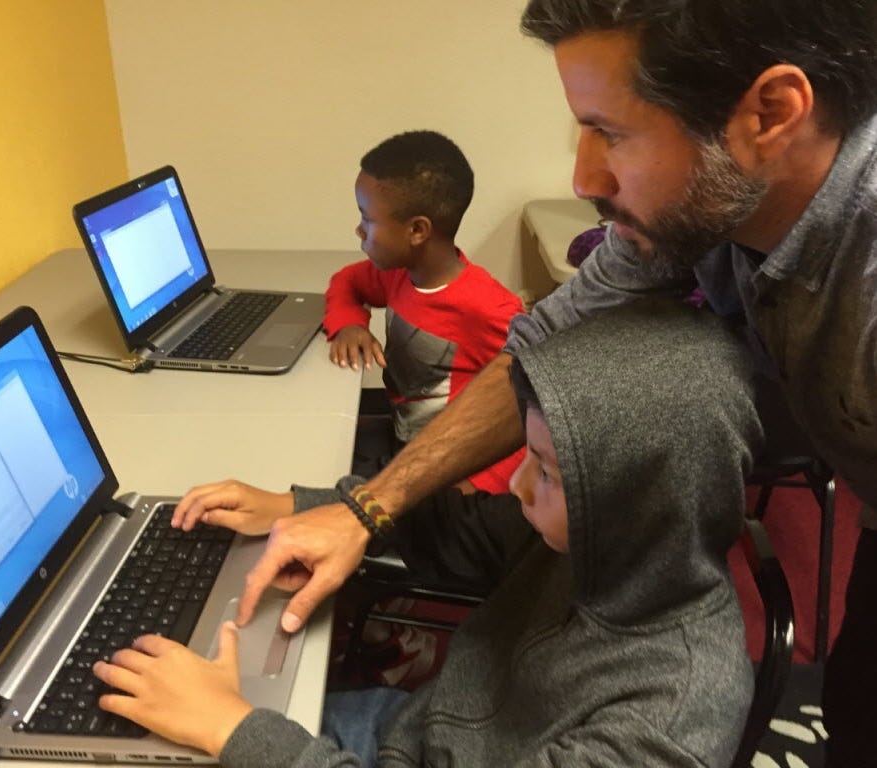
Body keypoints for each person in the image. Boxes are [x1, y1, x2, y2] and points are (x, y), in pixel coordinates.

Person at [190, 4, 877, 765]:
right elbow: (533, 356)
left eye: (611, 133)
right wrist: (361, 508)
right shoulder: (696, 211)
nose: (583, 177)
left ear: (770, 113)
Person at [95, 302, 763, 767]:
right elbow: (452, 528)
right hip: (417, 732)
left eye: (551, 474)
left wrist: (231, 727)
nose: (518, 486)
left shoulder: (667, 719)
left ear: (641, 500)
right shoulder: (599, 541)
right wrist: (299, 505)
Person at [325, 129, 525, 494]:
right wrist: (350, 324)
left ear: (417, 230)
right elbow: (345, 283)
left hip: (450, 479)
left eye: (367, 219)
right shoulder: (398, 274)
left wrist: (478, 484)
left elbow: (531, 406)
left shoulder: (489, 308)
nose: (358, 229)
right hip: (403, 448)